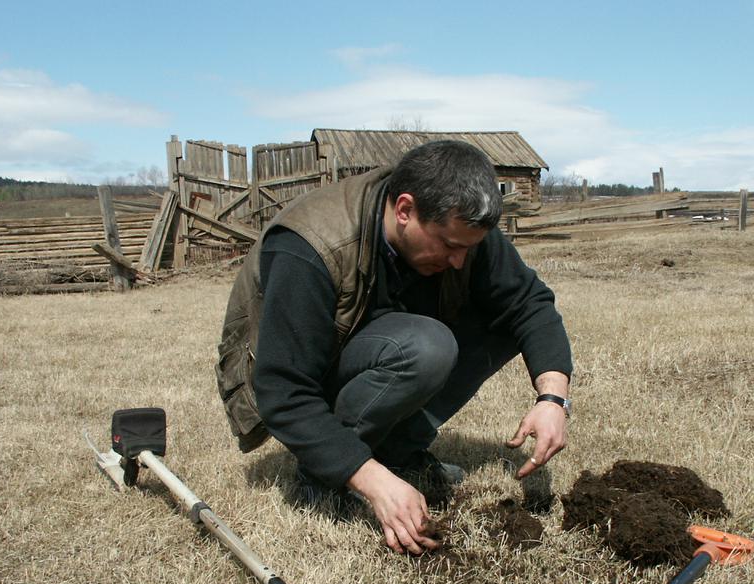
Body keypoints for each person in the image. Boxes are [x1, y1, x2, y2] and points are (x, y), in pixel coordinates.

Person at [216, 140, 572, 555]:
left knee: (504, 323)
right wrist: (371, 480)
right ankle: (324, 474)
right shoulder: (311, 244)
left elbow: (530, 304)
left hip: (378, 352)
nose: (459, 261)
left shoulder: (461, 227)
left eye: (468, 249)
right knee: (427, 347)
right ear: (405, 210)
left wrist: (552, 397)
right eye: (449, 246)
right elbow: (283, 389)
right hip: (310, 375)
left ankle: (398, 451)